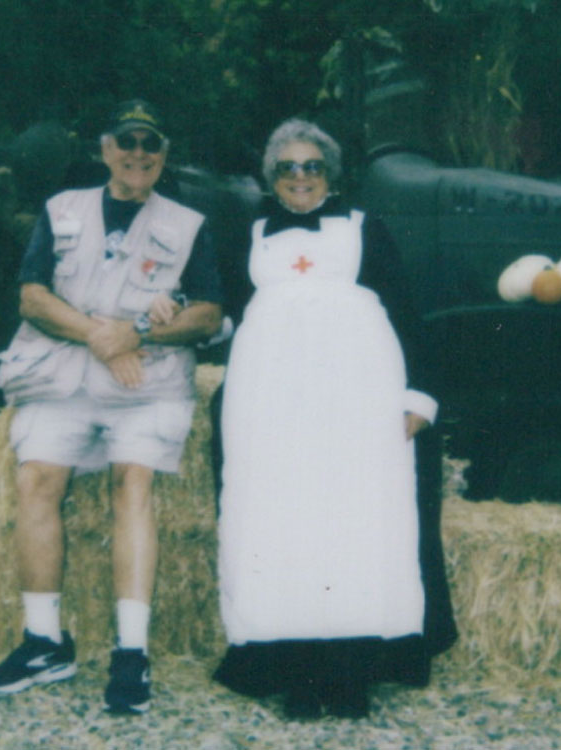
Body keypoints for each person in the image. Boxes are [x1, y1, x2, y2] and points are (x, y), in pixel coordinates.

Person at [0, 99, 224, 715]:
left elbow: (208, 315)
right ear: (104, 149)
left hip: (145, 380)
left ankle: (131, 654)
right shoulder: (61, 209)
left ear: (164, 156)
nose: (138, 154)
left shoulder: (191, 223)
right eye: (127, 142)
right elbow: (32, 298)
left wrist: (135, 336)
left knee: (131, 484)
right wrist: (101, 334)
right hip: (62, 372)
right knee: (36, 480)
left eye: (151, 144)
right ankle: (43, 643)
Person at [213, 118, 457, 719]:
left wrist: (418, 397)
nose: (301, 177)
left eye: (312, 166)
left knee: (354, 528)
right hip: (271, 404)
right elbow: (224, 314)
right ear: (271, 178)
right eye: (288, 167)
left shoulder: (363, 230)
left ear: (331, 174)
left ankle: (351, 674)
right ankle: (295, 672)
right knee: (282, 529)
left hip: (356, 401)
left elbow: (405, 309)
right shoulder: (248, 233)